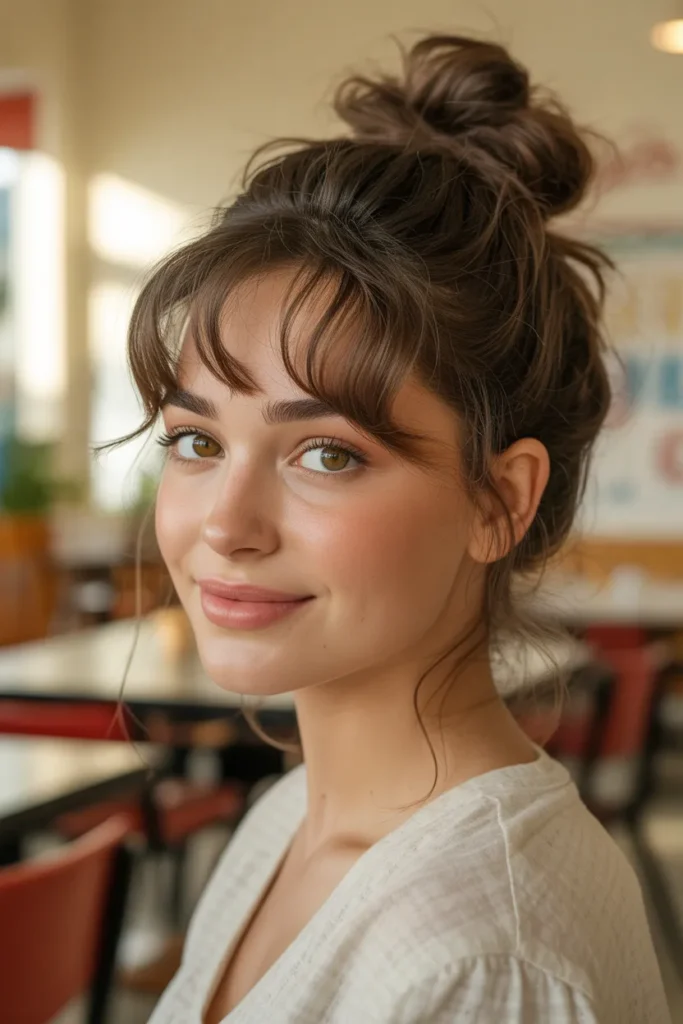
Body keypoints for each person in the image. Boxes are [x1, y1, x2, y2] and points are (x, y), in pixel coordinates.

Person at [117, 32, 669, 1024]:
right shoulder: (285, 816)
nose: (225, 527)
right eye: (195, 441)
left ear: (500, 499)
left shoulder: (479, 959)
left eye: (326, 453)